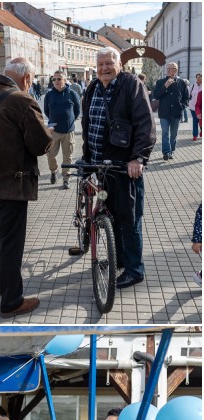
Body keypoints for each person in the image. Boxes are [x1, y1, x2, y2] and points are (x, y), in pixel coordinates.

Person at [0, 57, 53, 318]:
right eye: (32, 79)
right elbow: (40, 144)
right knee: (10, 242)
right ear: (26, 78)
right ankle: (12, 301)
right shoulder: (21, 100)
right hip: (10, 182)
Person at [81, 47, 154, 291]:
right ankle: (119, 259)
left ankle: (135, 270)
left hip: (125, 167)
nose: (104, 68)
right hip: (101, 166)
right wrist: (86, 159)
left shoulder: (131, 85)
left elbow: (145, 123)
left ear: (119, 64)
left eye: (109, 63)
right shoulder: (93, 88)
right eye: (100, 64)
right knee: (112, 216)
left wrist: (139, 158)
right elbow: (88, 126)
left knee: (130, 219)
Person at [43, 72, 81, 190]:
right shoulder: (49, 95)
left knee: (67, 156)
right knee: (50, 154)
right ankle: (53, 171)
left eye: (59, 79)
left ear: (65, 80)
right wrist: (54, 120)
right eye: (54, 79)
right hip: (53, 130)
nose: (56, 81)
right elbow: (46, 111)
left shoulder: (72, 94)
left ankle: (66, 179)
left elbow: (77, 110)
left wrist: (70, 120)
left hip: (68, 131)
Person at [150, 62, 190, 160]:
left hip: (177, 113)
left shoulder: (182, 83)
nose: (167, 70)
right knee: (164, 133)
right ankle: (166, 152)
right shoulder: (160, 82)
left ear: (175, 70)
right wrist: (165, 86)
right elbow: (156, 96)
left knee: (174, 134)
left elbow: (186, 97)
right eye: (167, 68)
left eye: (170, 68)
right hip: (164, 113)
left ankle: (171, 150)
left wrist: (182, 106)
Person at [189, 72, 203, 141]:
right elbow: (188, 94)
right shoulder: (193, 86)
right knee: (195, 121)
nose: (198, 79)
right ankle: (195, 135)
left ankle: (201, 131)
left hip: (201, 107)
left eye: (199, 77)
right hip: (193, 107)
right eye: (197, 77)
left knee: (201, 120)